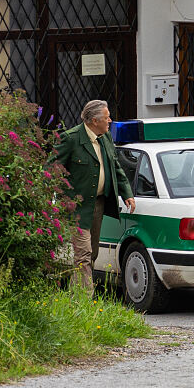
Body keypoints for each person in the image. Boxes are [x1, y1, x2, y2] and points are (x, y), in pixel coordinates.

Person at [53, 99, 135, 294]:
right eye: (107, 118)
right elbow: (52, 169)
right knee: (84, 254)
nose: (110, 121)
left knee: (92, 254)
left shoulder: (105, 138)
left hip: (98, 204)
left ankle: (75, 299)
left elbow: (116, 167)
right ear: (94, 120)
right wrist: (60, 198)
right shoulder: (71, 138)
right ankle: (85, 301)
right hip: (77, 207)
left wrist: (127, 193)